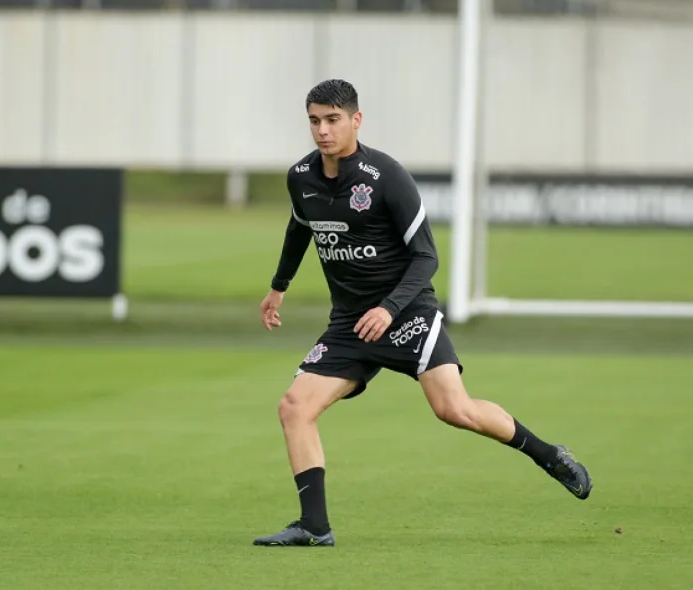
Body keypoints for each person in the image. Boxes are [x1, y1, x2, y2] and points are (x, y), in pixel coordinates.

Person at [253, 79, 592, 548]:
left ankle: (549, 455)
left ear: (356, 119)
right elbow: (300, 227)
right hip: (350, 324)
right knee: (294, 407)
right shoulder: (301, 176)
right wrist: (278, 287)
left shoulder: (387, 175)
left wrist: (390, 309)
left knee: (454, 410)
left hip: (406, 312)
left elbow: (426, 257)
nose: (322, 131)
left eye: (332, 120)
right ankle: (314, 527)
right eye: (314, 120)